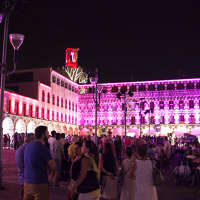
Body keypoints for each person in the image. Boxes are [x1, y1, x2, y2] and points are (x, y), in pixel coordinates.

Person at [24, 126, 57, 200]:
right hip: (40, 183)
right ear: (43, 135)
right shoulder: (43, 148)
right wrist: (47, 166)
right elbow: (54, 167)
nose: (48, 135)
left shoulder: (28, 145)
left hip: (27, 183)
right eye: (47, 133)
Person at [15, 133, 35, 200]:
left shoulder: (21, 149)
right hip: (26, 177)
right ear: (29, 141)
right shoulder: (26, 150)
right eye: (34, 139)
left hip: (22, 176)